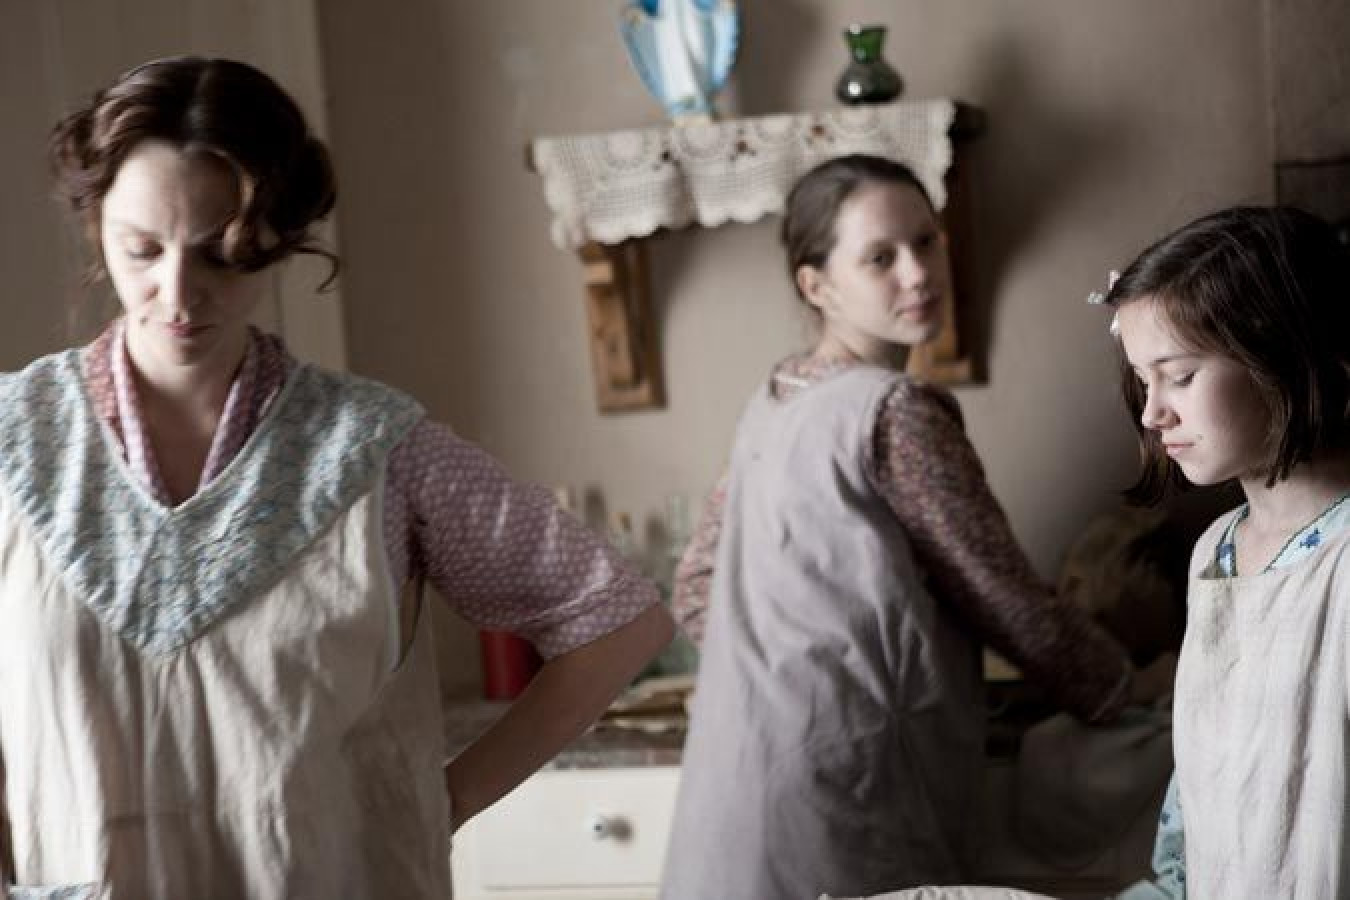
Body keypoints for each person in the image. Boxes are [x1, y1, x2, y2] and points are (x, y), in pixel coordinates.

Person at [0, 56, 673, 899]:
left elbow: (617, 621)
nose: (177, 292)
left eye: (224, 255)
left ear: (281, 239)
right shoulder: (11, 442)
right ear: (95, 221)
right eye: (141, 248)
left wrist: (443, 798)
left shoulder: (377, 451)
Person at [659, 154, 1172, 900]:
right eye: (880, 257)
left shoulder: (775, 398)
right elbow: (1006, 601)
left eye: (926, 241)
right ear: (817, 285)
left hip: (734, 787)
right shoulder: (893, 411)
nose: (918, 271)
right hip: (842, 795)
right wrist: (1125, 687)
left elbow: (697, 591)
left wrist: (798, 673)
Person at [1101, 205, 1350, 899]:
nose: (1153, 413)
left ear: (1284, 357)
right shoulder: (1216, 550)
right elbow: (1205, 784)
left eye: (1178, 376)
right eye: (1143, 382)